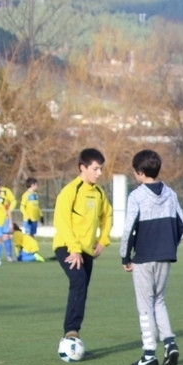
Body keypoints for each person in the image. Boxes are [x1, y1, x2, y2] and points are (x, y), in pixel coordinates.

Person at [119, 149, 183, 365]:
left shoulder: (136, 196)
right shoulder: (171, 194)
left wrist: (125, 256)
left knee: (145, 304)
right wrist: (170, 246)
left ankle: (149, 354)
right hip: (165, 256)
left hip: (144, 257)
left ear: (139, 172)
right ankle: (169, 343)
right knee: (159, 300)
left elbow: (129, 229)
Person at [52, 147, 112, 345]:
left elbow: (107, 216)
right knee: (78, 281)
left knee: (82, 289)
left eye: (101, 169)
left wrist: (103, 240)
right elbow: (61, 222)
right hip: (66, 247)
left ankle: (72, 334)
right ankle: (71, 332)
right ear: (82, 168)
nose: (99, 173)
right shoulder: (70, 191)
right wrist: (75, 249)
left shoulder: (99, 193)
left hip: (87, 251)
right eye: (95, 169)